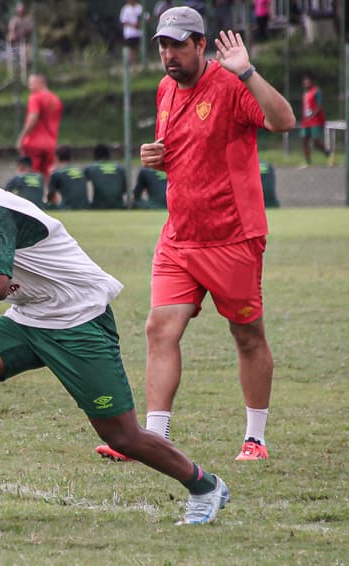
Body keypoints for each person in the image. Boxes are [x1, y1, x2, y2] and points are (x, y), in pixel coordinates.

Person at [0, 128, 231, 525]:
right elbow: (0, 268)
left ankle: (206, 486)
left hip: (77, 319)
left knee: (122, 436)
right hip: (32, 316)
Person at [96, 7, 295, 463]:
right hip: (179, 237)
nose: (169, 54)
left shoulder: (231, 85)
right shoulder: (165, 89)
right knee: (159, 328)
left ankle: (256, 439)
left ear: (201, 45)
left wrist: (247, 71)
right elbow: (185, 150)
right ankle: (152, 439)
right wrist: (156, 157)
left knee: (247, 335)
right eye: (163, 45)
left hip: (232, 237)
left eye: (178, 45)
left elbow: (284, 122)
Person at [16, 73, 62, 182]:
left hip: (34, 144)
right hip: (51, 144)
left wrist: (21, 138)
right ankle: (49, 197)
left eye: (31, 83)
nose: (29, 86)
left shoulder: (35, 97)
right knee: (47, 176)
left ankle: (32, 198)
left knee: (30, 177)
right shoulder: (56, 99)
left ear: (40, 83)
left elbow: (33, 118)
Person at [299, 72, 333, 168]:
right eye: (304, 81)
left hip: (315, 121)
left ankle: (329, 154)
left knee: (315, 142)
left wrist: (312, 115)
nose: (305, 82)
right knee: (304, 140)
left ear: (311, 81)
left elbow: (318, 106)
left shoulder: (316, 91)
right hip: (306, 121)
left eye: (307, 81)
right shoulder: (305, 94)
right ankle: (307, 161)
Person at [84, 143, 127, 209]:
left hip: (98, 207)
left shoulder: (90, 168)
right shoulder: (120, 168)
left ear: (95, 155)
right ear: (108, 154)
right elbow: (125, 190)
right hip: (119, 206)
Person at [47, 144, 89, 210]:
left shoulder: (57, 173)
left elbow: (50, 197)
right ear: (71, 157)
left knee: (48, 205)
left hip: (68, 209)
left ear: (56, 158)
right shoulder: (81, 171)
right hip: (86, 208)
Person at [120, 0, 145, 66]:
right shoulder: (125, 9)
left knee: (138, 48)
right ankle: (131, 65)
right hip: (129, 34)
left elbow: (146, 17)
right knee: (131, 50)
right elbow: (123, 21)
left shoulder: (140, 7)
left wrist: (140, 23)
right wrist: (133, 25)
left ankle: (139, 64)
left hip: (139, 33)